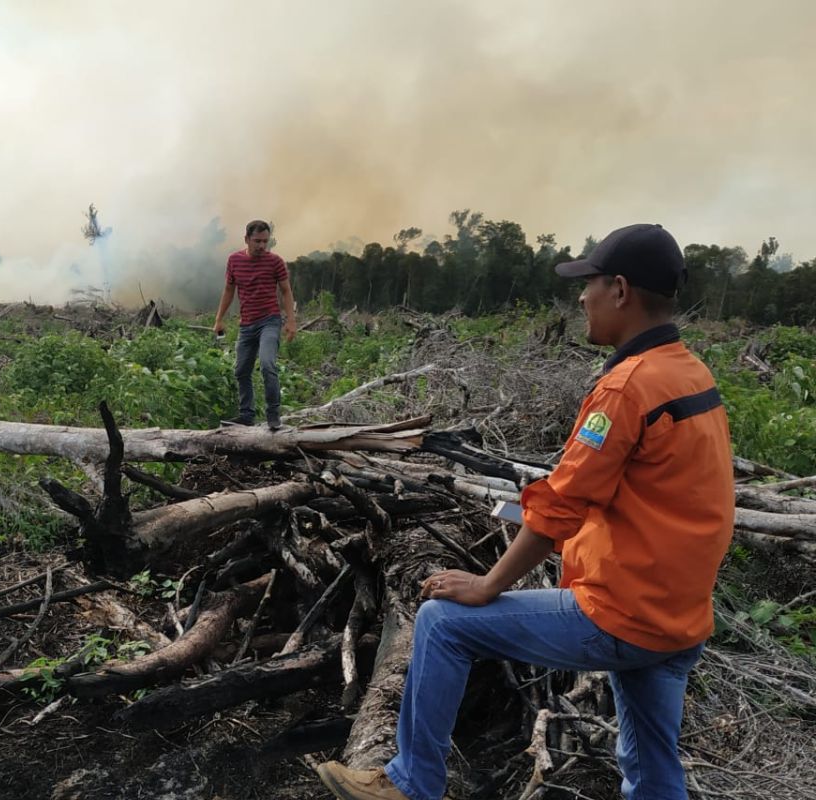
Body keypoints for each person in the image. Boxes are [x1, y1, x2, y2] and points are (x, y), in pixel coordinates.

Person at [316, 223, 735, 800]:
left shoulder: (626, 389)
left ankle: (409, 785)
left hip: (626, 611)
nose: (580, 300)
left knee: (444, 623)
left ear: (619, 290)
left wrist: (488, 584)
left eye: (586, 286)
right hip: (680, 614)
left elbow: (561, 507)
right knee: (653, 772)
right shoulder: (689, 372)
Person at [213, 220, 298, 430]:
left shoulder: (275, 262)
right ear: (246, 239)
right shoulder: (234, 260)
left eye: (265, 242)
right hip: (246, 324)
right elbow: (229, 290)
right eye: (257, 241)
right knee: (241, 370)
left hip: (269, 321)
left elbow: (286, 291)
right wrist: (219, 319)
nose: (262, 246)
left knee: (268, 364)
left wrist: (291, 321)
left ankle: (273, 414)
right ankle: (247, 414)